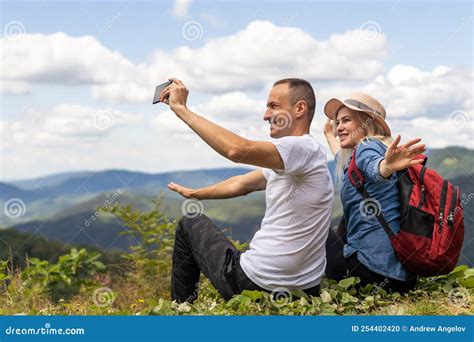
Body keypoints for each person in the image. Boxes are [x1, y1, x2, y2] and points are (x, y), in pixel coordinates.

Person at [160, 78, 334, 302]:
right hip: (305, 291)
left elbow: (236, 150)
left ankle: (180, 310)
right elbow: (243, 184)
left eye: (274, 106)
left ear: (300, 108)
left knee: (189, 223)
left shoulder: (302, 147)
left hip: (255, 284)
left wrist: (181, 109)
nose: (265, 115)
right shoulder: (298, 159)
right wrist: (196, 194)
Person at [323, 92, 425, 293]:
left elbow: (375, 168)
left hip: (370, 274)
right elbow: (343, 161)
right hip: (400, 280)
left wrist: (386, 166)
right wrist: (328, 134)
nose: (339, 127)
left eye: (346, 120)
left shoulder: (366, 147)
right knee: (346, 219)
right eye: (337, 122)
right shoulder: (360, 155)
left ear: (366, 123)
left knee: (311, 224)